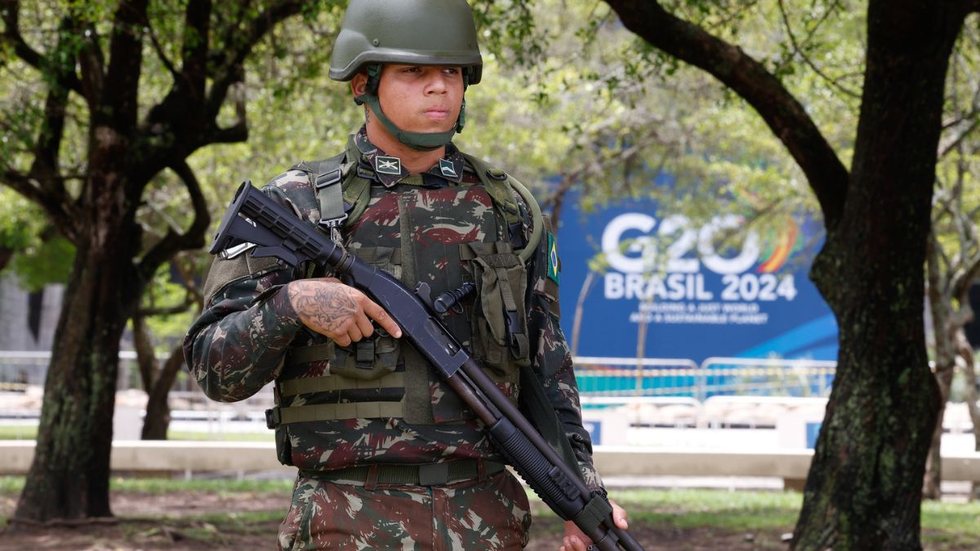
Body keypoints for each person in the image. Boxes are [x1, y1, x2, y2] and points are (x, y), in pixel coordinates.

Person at [183, 0, 629, 549]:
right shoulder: (297, 206)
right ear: (362, 83)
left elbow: (547, 369)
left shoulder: (509, 210)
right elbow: (213, 367)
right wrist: (291, 304)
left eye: (451, 72)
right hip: (344, 521)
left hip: (486, 521)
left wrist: (581, 493)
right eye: (414, 72)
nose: (439, 88)